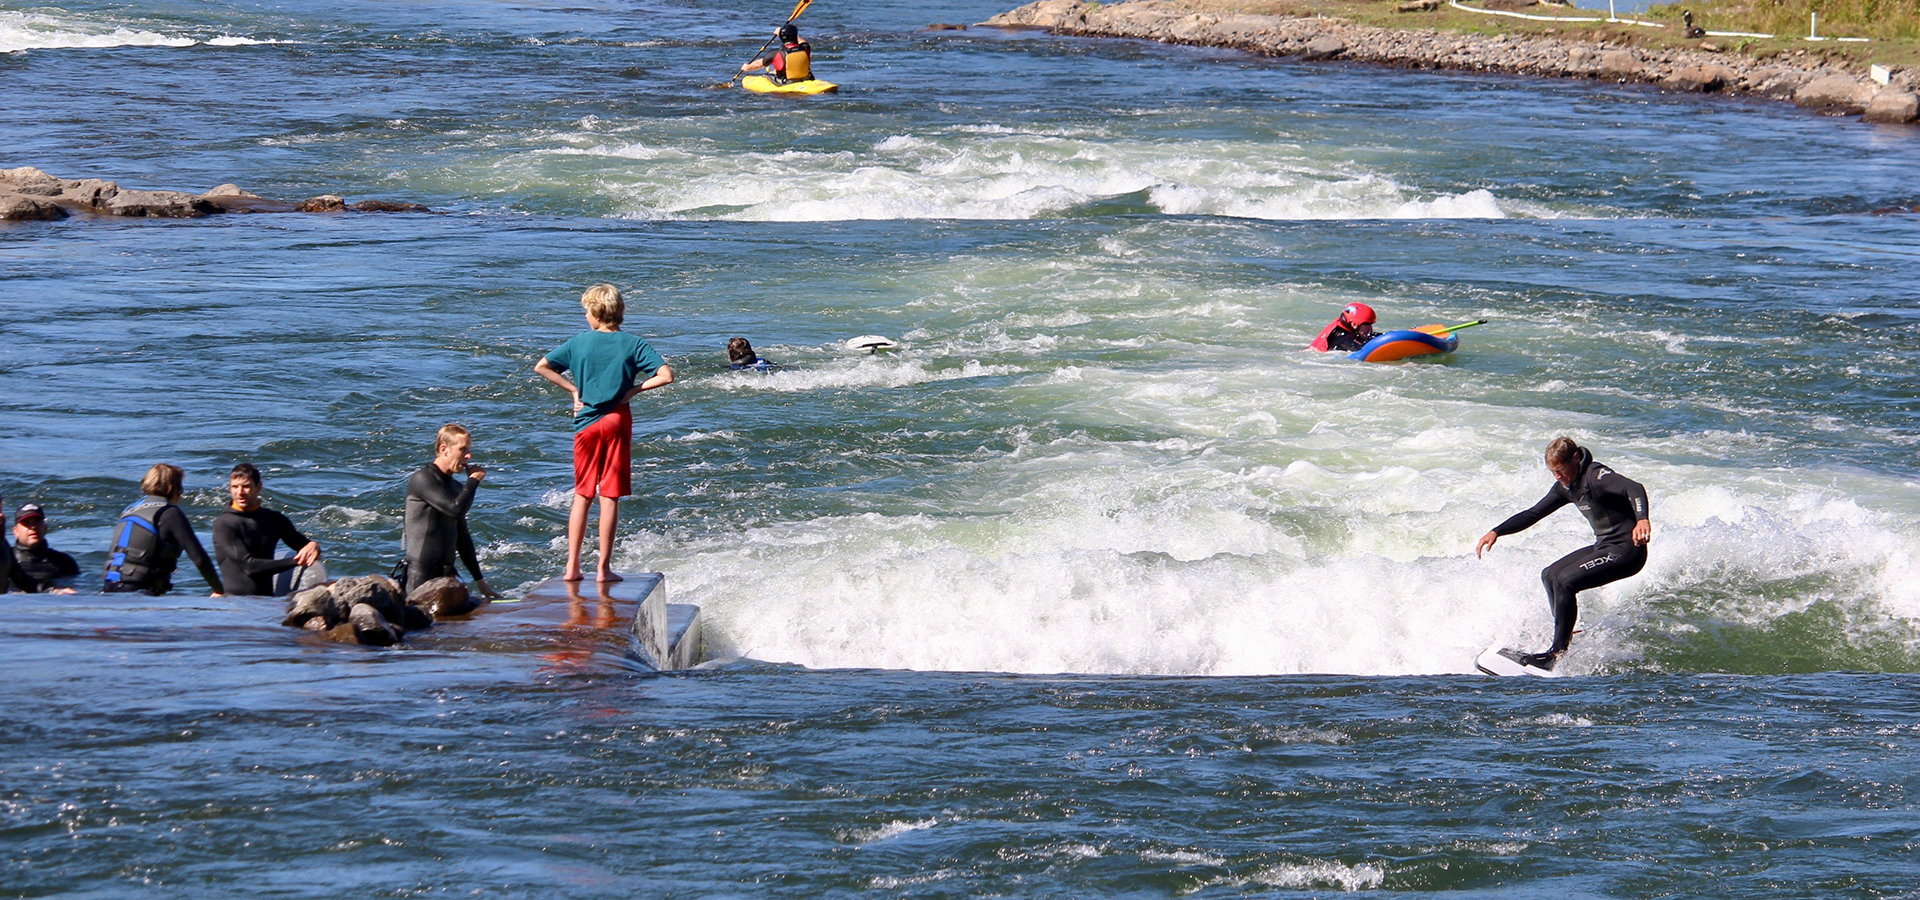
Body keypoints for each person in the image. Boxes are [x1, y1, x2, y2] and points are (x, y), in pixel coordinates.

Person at [534, 283, 674, 584]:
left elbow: (542, 366)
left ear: (596, 312)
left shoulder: (578, 343)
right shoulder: (633, 344)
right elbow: (666, 375)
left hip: (585, 422)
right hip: (616, 420)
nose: (585, 315)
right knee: (609, 496)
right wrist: (633, 391)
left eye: (586, 310)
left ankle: (572, 567)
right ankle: (603, 569)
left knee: (583, 494)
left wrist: (573, 390)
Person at [1476, 437, 1651, 671]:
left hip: (1627, 551)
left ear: (1576, 458)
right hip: (1605, 546)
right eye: (1552, 472)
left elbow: (1634, 488)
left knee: (1566, 582)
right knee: (1550, 574)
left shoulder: (1596, 476)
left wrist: (1642, 520)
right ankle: (1565, 636)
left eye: (1560, 470)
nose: (1557, 476)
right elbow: (1533, 513)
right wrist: (1497, 531)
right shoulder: (1566, 486)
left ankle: (1556, 654)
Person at [404, 424, 501, 600]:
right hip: (421, 576)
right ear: (444, 450)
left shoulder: (455, 487)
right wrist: (473, 482)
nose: (469, 456)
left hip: (446, 575)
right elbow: (455, 510)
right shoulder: (423, 479)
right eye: (462, 449)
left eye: (469, 450)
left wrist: (480, 581)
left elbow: (462, 537)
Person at [102, 464, 223, 596]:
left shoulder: (129, 510)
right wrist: (219, 589)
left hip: (109, 587)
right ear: (175, 488)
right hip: (138, 591)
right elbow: (199, 558)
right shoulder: (170, 513)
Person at [212, 463, 321, 596]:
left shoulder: (273, 519)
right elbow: (249, 567)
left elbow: (303, 546)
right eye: (235, 487)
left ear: (259, 487)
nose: (240, 492)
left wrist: (313, 546)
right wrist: (297, 561)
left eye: (246, 486)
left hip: (267, 603)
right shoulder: (224, 524)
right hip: (234, 603)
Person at [8, 503, 79, 594]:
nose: (33, 527)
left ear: (45, 528)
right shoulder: (5, 560)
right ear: (15, 531)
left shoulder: (64, 562)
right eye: (27, 523)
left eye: (37, 522)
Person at [740, 22, 813, 84]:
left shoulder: (776, 53)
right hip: (806, 79)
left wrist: (747, 67)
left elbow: (758, 64)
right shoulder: (806, 48)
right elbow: (802, 41)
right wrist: (782, 33)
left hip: (786, 83)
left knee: (767, 75)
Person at [1309, 303, 1380, 353]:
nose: (1370, 329)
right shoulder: (1340, 336)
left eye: (1370, 324)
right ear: (1354, 324)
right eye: (1366, 324)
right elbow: (1361, 349)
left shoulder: (1346, 326)